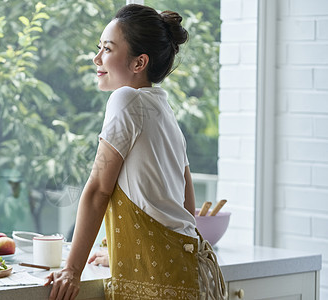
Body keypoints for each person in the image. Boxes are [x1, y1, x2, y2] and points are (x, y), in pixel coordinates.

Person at [45, 4, 226, 300]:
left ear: (139, 63)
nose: (97, 57)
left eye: (107, 48)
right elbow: (185, 199)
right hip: (184, 269)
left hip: (155, 282)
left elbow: (98, 190)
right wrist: (124, 252)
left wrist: (72, 270)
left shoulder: (125, 99)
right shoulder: (162, 107)